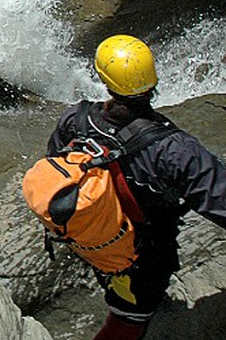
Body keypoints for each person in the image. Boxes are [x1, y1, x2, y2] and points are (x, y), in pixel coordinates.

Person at [46, 35, 226, 340]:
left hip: (94, 234)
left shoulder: (74, 120)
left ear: (104, 79)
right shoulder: (174, 150)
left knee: (118, 281)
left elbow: (56, 163)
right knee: (128, 321)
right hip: (145, 257)